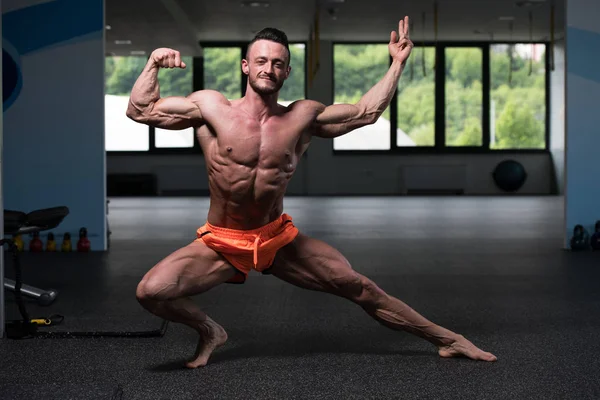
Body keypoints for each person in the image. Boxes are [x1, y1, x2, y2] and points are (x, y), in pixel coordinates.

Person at [127, 16, 497, 368]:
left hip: (276, 239)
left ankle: (447, 339)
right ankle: (210, 330)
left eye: (277, 63)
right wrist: (153, 64)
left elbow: (365, 112)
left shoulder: (301, 117)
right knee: (150, 292)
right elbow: (140, 110)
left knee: (360, 287)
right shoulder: (210, 107)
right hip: (222, 242)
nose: (268, 69)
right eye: (261, 61)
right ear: (245, 66)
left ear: (287, 72)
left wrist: (396, 63)